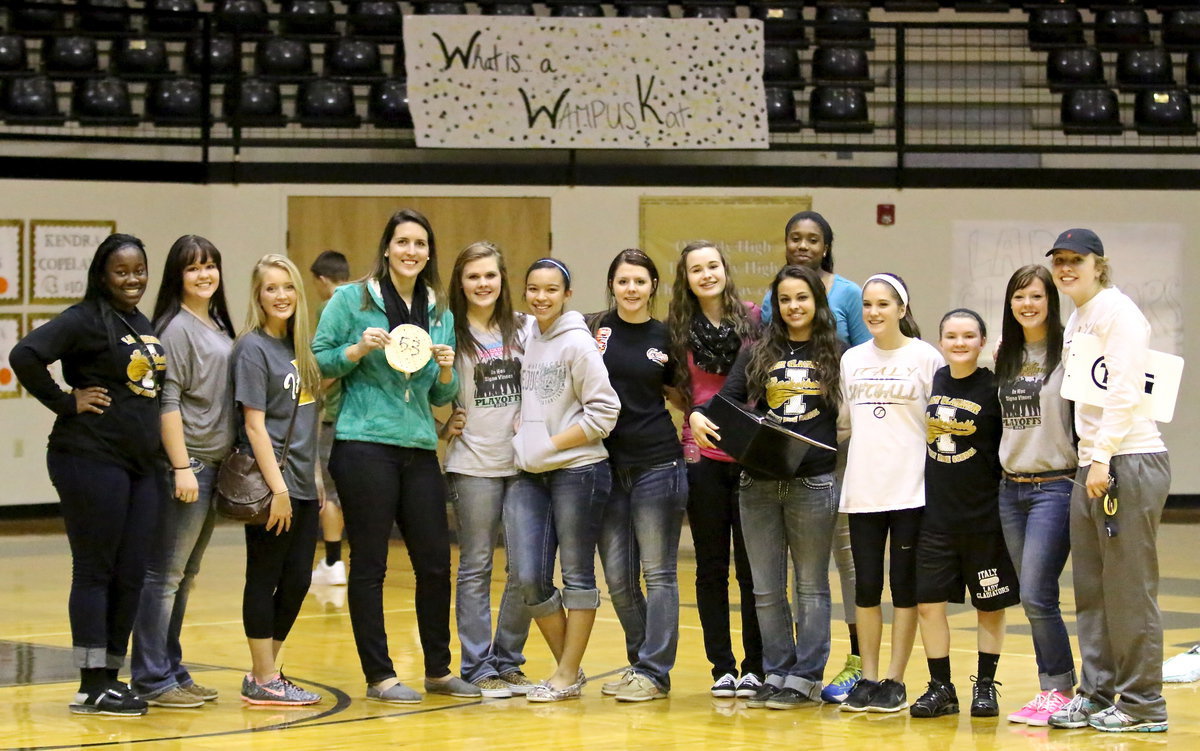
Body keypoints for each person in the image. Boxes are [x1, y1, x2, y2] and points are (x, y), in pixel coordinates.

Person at [312, 209, 478, 703]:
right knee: (371, 564)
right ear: (387, 248)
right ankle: (380, 676)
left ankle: (438, 670)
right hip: (363, 443)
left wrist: (447, 371)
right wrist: (356, 351)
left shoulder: (440, 310)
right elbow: (317, 357)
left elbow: (439, 395)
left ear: (429, 253)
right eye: (402, 242)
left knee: (433, 563)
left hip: (419, 446)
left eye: (420, 244)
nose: (411, 251)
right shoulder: (350, 299)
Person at [11, 233, 165, 716]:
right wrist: (64, 400)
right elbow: (24, 355)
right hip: (89, 458)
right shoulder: (84, 319)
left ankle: (111, 677)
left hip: (141, 467)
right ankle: (88, 684)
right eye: (122, 271)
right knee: (96, 570)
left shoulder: (139, 322)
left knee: (132, 573)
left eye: (139, 269)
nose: (133, 279)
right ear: (102, 275)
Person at [691, 264, 842, 710]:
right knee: (765, 586)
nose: (794, 307)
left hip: (812, 480)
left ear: (817, 302)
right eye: (785, 299)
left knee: (811, 584)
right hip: (757, 479)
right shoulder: (757, 350)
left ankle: (807, 676)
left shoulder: (837, 351)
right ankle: (777, 670)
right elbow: (726, 400)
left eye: (802, 298)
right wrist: (701, 413)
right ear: (775, 306)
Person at [1044, 229, 1171, 734]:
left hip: (1126, 460)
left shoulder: (1120, 313)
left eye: (1077, 260)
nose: (1066, 268)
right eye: (1059, 261)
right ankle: (1097, 694)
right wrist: (1089, 459)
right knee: (1092, 589)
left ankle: (1143, 705)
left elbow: (1123, 391)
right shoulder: (1079, 316)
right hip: (1093, 463)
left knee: (1129, 591)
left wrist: (1100, 459)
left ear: (1100, 264)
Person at [762, 210, 869, 703]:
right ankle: (779, 670)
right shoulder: (772, 299)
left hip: (831, 453)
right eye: (795, 238)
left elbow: (861, 372)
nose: (803, 245)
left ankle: (853, 659)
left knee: (834, 563)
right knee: (780, 580)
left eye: (813, 239)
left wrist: (837, 440)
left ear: (826, 246)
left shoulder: (846, 297)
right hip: (775, 459)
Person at [507, 258, 620, 702]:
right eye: (533, 289)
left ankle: (566, 672)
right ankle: (568, 670)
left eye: (551, 290)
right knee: (529, 576)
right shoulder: (527, 335)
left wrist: (551, 443)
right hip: (531, 475)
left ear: (567, 294)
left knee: (576, 574)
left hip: (579, 470)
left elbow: (605, 413)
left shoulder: (579, 344)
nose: (541, 297)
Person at [130, 235, 236, 709]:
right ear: (178, 276)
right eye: (193, 268)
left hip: (213, 463)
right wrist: (180, 467)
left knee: (183, 574)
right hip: (188, 462)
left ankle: (171, 667)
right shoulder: (174, 328)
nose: (204, 275)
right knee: (164, 575)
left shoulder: (213, 321)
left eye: (210, 265)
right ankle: (152, 678)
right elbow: (165, 402)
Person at [837, 273, 943, 713]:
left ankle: (895, 680)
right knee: (865, 587)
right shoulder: (851, 360)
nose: (874, 312)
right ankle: (867, 677)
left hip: (910, 489)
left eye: (884, 304)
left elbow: (940, 423)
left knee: (903, 587)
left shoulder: (926, 358)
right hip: (863, 488)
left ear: (902, 308)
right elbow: (845, 423)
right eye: (867, 305)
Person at [666, 241, 763, 698]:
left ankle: (755, 665)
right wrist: (693, 415)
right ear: (685, 278)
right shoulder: (677, 329)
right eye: (696, 269)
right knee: (710, 567)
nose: (706, 275)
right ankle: (721, 666)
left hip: (749, 453)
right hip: (701, 454)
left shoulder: (755, 318)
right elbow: (674, 388)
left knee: (752, 568)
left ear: (725, 269)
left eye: (713, 266)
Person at [910, 309, 1018, 719]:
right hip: (937, 517)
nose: (959, 343)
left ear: (983, 342)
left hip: (984, 519)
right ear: (941, 342)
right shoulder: (933, 382)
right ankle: (942, 687)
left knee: (989, 607)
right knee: (928, 605)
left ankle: (986, 686)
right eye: (951, 336)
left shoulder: (994, 388)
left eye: (968, 336)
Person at [593, 249, 688, 703]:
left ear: (653, 286)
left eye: (640, 281)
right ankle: (640, 664)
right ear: (612, 285)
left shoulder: (668, 336)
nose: (631, 289)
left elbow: (683, 392)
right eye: (623, 281)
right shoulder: (593, 331)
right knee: (618, 579)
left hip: (658, 464)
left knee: (660, 574)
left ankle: (654, 671)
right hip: (604, 467)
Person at [442, 241, 534, 698]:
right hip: (472, 464)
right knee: (476, 565)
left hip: (523, 464)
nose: (483, 284)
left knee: (526, 568)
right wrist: (444, 422)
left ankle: (508, 659)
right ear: (461, 282)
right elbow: (428, 391)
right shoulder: (449, 331)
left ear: (503, 280)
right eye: (474, 276)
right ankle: (478, 666)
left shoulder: (525, 327)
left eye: (491, 275)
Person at [232, 254, 324, 706]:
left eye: (287, 287)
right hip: (274, 487)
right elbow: (254, 425)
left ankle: (263, 674)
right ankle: (265, 677)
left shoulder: (299, 348)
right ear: (258, 295)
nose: (281, 295)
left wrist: (317, 478)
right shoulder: (252, 348)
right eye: (271, 288)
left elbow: (307, 418)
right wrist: (280, 489)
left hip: (305, 484)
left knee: (298, 582)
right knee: (265, 576)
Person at [994, 264, 1078, 726]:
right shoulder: (1004, 354)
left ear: (1051, 301)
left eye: (1037, 297)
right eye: (1019, 297)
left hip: (1055, 486)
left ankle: (1059, 688)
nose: (1028, 305)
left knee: (1038, 595)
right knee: (1031, 594)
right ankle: (1057, 687)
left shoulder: (1069, 350)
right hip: (1011, 488)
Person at [309, 250, 350, 587]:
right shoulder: (361, 304)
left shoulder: (330, 307)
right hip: (360, 416)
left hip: (335, 415)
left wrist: (314, 389)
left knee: (328, 491)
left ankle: (334, 561)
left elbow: (330, 363)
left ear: (322, 280)